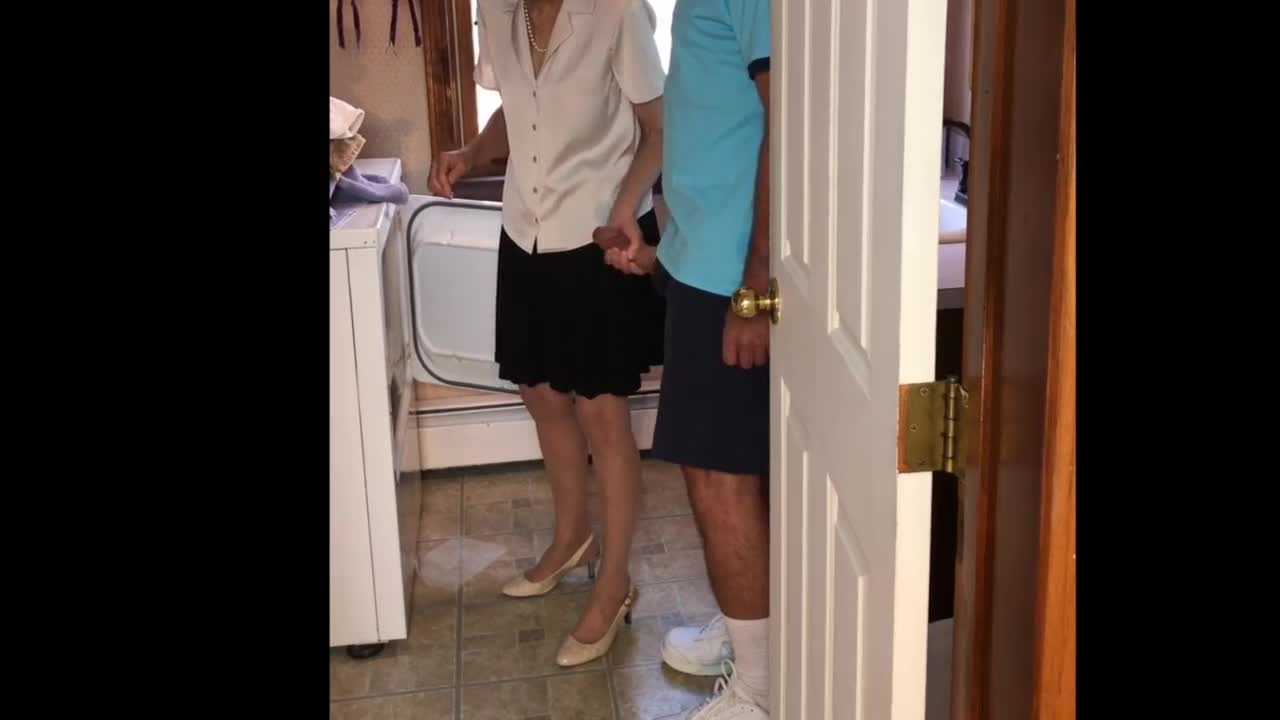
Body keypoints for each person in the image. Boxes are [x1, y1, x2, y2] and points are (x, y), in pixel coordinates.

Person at [429, 0, 666, 667]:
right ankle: (572, 537)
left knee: (601, 411)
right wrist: (473, 151)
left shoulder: (616, 10)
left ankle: (614, 584)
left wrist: (626, 209)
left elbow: (658, 127)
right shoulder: (499, 10)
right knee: (539, 391)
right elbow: (517, 107)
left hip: (597, 231)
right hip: (524, 230)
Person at [601, 0, 773, 716]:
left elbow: (790, 123)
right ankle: (753, 628)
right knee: (720, 473)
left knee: (721, 479)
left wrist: (756, 288)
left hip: (731, 280)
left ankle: (763, 687)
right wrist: (660, 249)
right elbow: (715, 126)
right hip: (701, 266)